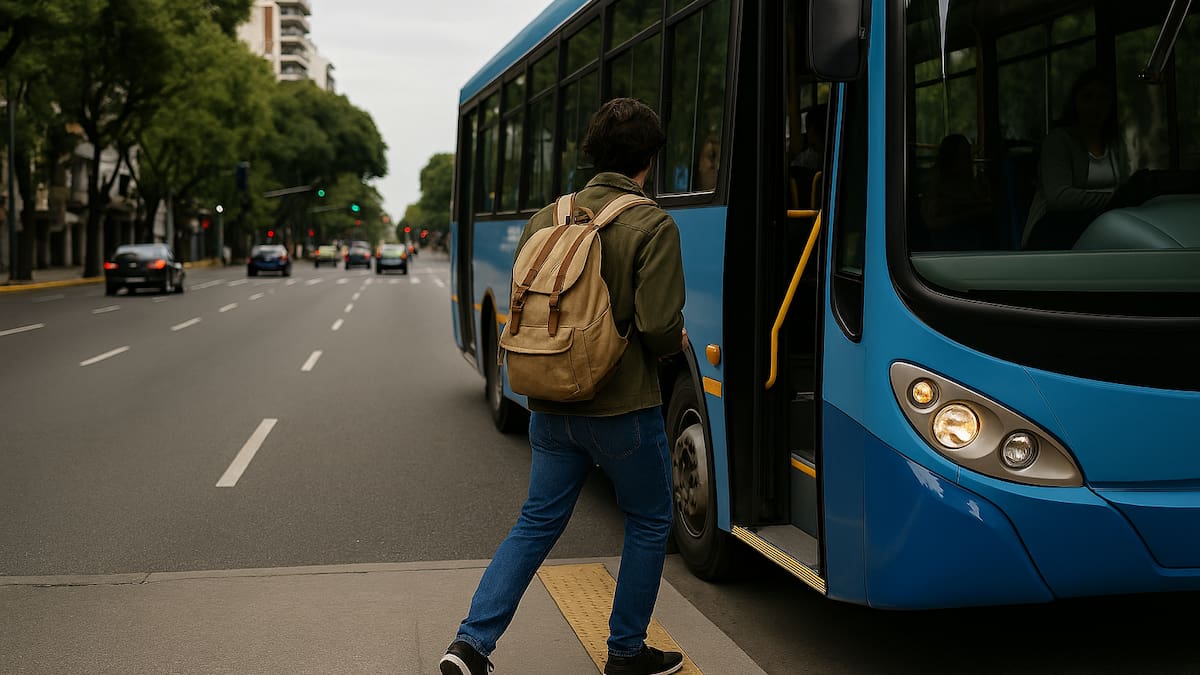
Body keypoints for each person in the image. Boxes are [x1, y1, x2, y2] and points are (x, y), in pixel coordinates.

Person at [440, 98, 688, 675]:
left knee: (536, 523)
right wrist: (673, 339)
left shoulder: (546, 219)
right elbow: (655, 328)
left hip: (549, 405)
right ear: (650, 158)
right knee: (650, 518)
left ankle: (470, 645)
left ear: (593, 154)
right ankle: (626, 652)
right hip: (623, 409)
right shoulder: (651, 223)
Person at [1022, 68, 1130, 250]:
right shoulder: (1058, 141)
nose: (1095, 106)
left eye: (1102, 98)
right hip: (1056, 231)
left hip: (1104, 226)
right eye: (1087, 98)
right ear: (1075, 103)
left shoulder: (1115, 143)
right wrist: (1114, 199)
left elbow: (1125, 185)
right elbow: (1059, 198)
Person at [919, 134, 993, 250]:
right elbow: (931, 222)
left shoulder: (973, 185)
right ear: (951, 160)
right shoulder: (936, 190)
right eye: (964, 156)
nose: (970, 162)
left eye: (969, 156)